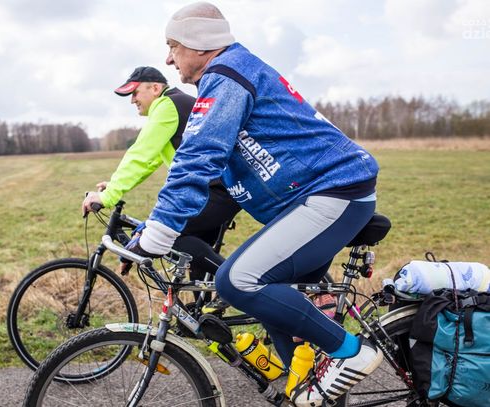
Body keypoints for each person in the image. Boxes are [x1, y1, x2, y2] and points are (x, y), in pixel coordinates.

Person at [125, 3, 382, 405]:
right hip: (314, 196)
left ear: (199, 44)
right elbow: (211, 176)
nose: (168, 59)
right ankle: (311, 387)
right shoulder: (228, 72)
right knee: (277, 309)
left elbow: (198, 156)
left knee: (236, 281)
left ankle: (351, 352)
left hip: (336, 192)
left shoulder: (227, 75)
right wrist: (155, 224)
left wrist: (160, 231)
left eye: (173, 46)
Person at [82, 66, 240, 302]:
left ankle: (243, 285)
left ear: (155, 88)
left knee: (169, 234)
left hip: (215, 189)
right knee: (194, 257)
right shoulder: (176, 104)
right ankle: (204, 315)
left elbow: (140, 154)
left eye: (135, 93)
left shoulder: (167, 105)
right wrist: (114, 184)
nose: (132, 100)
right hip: (217, 188)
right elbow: (150, 160)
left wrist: (108, 196)